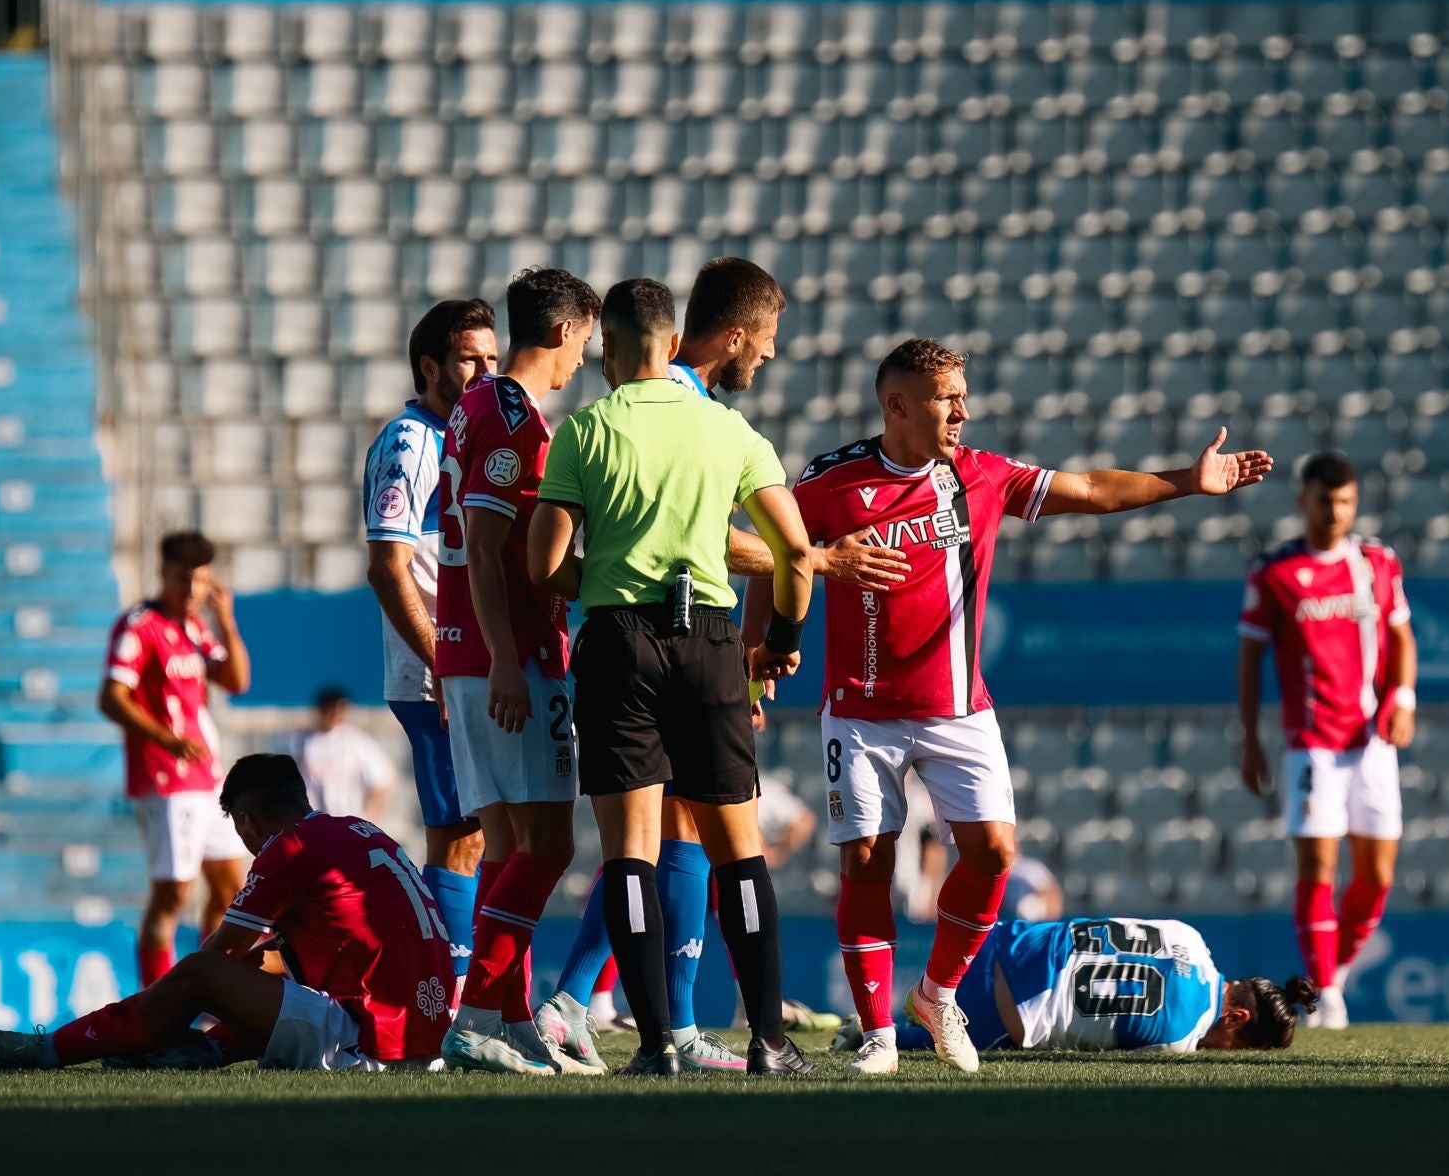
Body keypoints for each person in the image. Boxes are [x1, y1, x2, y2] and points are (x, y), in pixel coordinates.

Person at [746, 337, 1271, 1076]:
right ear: (897, 405)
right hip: (860, 714)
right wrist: (762, 647)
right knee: (867, 863)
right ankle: (878, 1035)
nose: (963, 409)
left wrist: (1187, 480)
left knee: (993, 852)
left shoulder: (981, 475)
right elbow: (776, 550)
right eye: (945, 397)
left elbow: (1090, 490)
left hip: (959, 710)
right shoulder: (832, 483)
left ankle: (936, 996)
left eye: (963, 393)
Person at [536, 256, 904, 1074]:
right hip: (707, 637)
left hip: (619, 636)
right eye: (767, 340)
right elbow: (791, 550)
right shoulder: (725, 426)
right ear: (694, 338)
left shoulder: (587, 428)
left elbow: (544, 562)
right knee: (735, 846)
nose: (769, 356)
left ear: (613, 349)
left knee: (631, 849)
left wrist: (601, 579)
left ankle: (657, 1036)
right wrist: (779, 645)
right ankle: (765, 1040)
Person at [0, 754, 456, 1072]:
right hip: (423, 1032)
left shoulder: (290, 847)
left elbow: (216, 960)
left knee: (201, 971)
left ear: (246, 819)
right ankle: (200, 1052)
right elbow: (273, 962)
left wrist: (157, 1017)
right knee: (260, 970)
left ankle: (50, 1051)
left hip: (372, 1041)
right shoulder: (358, 829)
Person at [434, 267, 601, 1076]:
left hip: (479, 652)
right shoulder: (508, 415)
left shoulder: (482, 409)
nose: (583, 363)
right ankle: (478, 1016)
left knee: (508, 843)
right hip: (513, 656)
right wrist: (506, 657)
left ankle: (507, 1017)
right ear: (567, 331)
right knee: (549, 844)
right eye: (585, 344)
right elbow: (491, 545)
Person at [1236, 453, 1417, 1031]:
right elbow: (1249, 658)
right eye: (1324, 500)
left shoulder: (1378, 563)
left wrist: (1403, 697)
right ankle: (1330, 996)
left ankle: (1326, 976)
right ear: (1303, 501)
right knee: (1318, 867)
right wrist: (1250, 738)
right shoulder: (1276, 573)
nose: (1335, 511)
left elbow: (1402, 637)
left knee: (1377, 876)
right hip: (1311, 745)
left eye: (1344, 501)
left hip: (1372, 743)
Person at [363, 298, 497, 989]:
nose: (484, 372)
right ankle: (446, 994)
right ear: (429, 366)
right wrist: (442, 662)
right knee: (461, 838)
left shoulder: (462, 438)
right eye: (470, 358)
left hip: (460, 667)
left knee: (474, 836)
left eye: (492, 359)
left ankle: (434, 983)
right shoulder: (412, 442)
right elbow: (386, 566)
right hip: (432, 675)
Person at [99, 530, 251, 988]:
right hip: (165, 781)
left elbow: (237, 681)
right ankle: (154, 1011)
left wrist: (226, 620)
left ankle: (210, 996)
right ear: (163, 572)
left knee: (231, 890)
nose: (192, 590)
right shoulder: (139, 624)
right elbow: (111, 698)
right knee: (171, 897)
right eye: (184, 578)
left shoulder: (195, 627)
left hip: (207, 781)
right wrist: (166, 740)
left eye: (201, 580)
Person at [828, 916, 1315, 1056]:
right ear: (1236, 1018)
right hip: (1008, 1010)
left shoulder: (1189, 935)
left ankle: (874, 1026)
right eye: (1231, 1047)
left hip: (995, 939)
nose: (1217, 1050)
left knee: (929, 1017)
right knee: (965, 1042)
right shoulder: (1180, 1040)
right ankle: (880, 1030)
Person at [283, 687, 397, 824]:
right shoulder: (299, 740)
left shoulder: (356, 740)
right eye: (331, 709)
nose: (335, 715)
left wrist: (369, 819)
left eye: (340, 710)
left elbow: (383, 780)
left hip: (347, 823)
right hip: (312, 823)